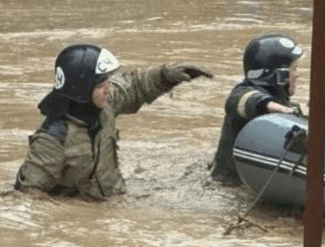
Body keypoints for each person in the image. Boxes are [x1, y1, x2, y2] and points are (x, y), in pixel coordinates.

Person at [15, 44, 213, 199]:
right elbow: (30, 197)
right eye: (101, 85)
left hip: (113, 200)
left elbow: (135, 86)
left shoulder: (105, 104)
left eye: (107, 83)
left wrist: (166, 76)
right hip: (87, 217)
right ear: (81, 90)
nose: (108, 89)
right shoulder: (53, 140)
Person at [210, 34, 305, 185]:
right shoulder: (243, 93)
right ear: (280, 75)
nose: (297, 76)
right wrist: (275, 107)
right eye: (294, 70)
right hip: (229, 184)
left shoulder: (282, 101)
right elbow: (243, 100)